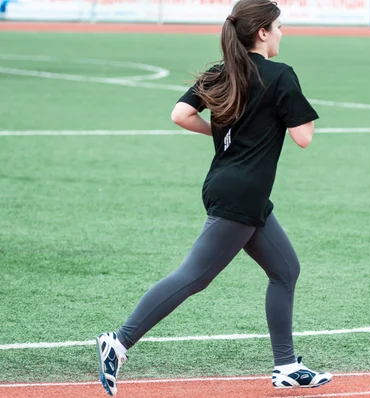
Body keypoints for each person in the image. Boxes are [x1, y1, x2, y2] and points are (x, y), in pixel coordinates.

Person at [94, 0, 333, 395]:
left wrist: (222, 136)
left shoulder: (221, 72)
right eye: (279, 27)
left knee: (286, 270)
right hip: (242, 192)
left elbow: (179, 114)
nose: (281, 34)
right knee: (195, 276)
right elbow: (303, 138)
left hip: (229, 185)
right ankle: (118, 342)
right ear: (262, 32)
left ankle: (287, 365)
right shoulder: (281, 75)